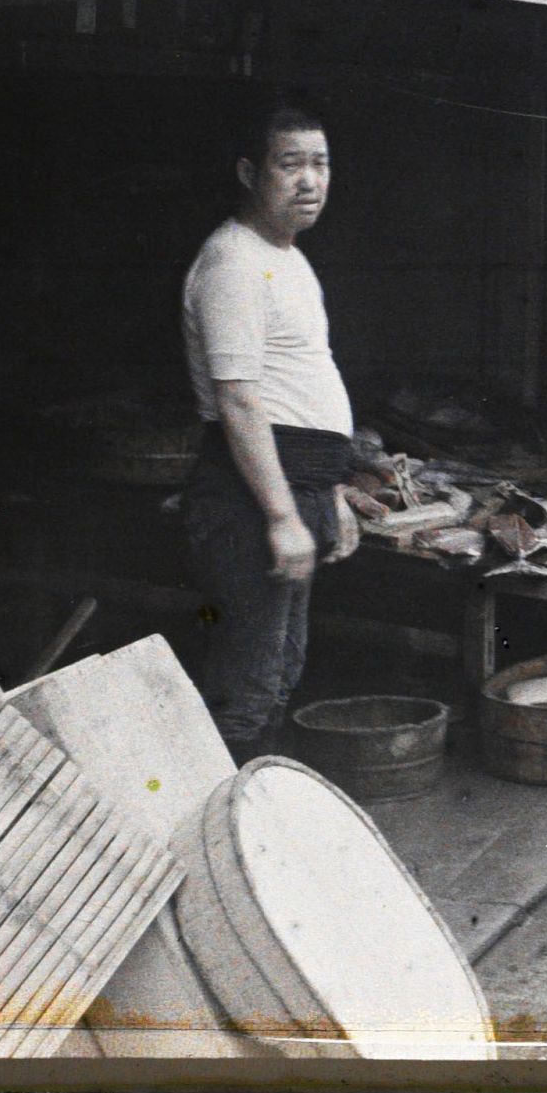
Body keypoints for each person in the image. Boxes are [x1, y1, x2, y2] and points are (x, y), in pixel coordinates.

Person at [180, 100, 361, 762]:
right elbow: (240, 400)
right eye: (291, 164)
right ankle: (210, 829)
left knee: (280, 672)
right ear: (250, 172)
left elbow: (302, 382)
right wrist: (283, 515)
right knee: (248, 686)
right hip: (248, 497)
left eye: (320, 163)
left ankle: (248, 817)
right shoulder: (232, 261)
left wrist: (332, 494)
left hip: (294, 486)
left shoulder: (288, 258)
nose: (309, 179)